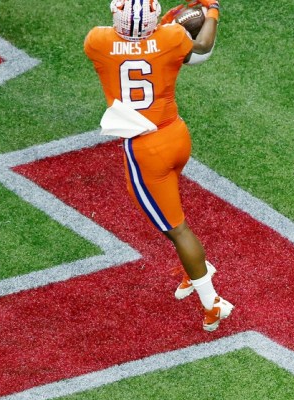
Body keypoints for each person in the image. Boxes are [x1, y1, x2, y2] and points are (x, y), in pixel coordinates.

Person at [84, 0, 233, 332]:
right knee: (170, 212)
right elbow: (203, 48)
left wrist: (157, 26)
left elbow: (130, 44)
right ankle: (191, 269)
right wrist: (212, 10)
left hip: (145, 148)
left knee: (175, 227)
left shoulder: (96, 41)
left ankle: (211, 301)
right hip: (176, 135)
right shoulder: (172, 38)